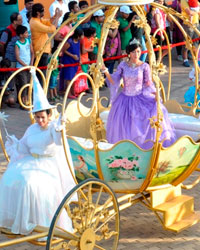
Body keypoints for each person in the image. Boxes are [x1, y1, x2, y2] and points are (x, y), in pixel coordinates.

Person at [0, 68, 76, 235]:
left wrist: (60, 129)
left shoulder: (52, 129)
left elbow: (58, 142)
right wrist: (14, 143)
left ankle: (37, 220)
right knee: (9, 178)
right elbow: (25, 146)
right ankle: (16, 218)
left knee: (28, 184)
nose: (40, 120)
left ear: (49, 115)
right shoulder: (32, 128)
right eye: (37, 117)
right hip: (31, 162)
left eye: (43, 117)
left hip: (47, 166)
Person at [102, 40, 176, 149]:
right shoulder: (123, 65)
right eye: (133, 52)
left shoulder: (144, 66)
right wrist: (106, 72)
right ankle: (125, 149)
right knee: (124, 126)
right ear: (129, 53)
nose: (136, 54)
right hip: (124, 100)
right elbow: (114, 81)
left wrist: (155, 93)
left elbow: (148, 83)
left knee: (150, 115)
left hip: (140, 98)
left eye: (138, 51)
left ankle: (145, 148)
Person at [30, 3, 62, 84]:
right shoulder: (35, 22)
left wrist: (55, 15)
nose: (44, 13)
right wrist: (58, 17)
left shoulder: (37, 20)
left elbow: (48, 22)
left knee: (43, 74)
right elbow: (52, 29)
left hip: (43, 51)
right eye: (43, 11)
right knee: (41, 75)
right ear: (38, 13)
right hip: (40, 51)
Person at [60, 28, 83, 98]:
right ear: (78, 36)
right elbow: (64, 50)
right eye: (82, 35)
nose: (83, 37)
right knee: (68, 78)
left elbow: (78, 50)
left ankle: (73, 91)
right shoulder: (69, 41)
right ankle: (68, 93)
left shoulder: (78, 41)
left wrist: (80, 59)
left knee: (73, 78)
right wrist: (72, 56)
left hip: (75, 62)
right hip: (68, 62)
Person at [15, 25, 34, 107]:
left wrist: (31, 64)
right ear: (21, 35)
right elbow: (17, 57)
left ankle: (28, 101)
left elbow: (32, 53)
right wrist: (26, 66)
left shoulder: (28, 41)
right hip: (21, 68)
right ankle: (23, 103)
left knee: (29, 84)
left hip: (29, 67)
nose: (27, 34)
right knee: (23, 85)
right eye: (25, 33)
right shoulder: (17, 44)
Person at [181, 0, 199, 67]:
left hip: (196, 24)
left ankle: (196, 59)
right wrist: (196, 10)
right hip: (188, 24)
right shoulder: (183, 1)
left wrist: (196, 11)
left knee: (196, 42)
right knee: (186, 43)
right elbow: (189, 12)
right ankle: (185, 60)